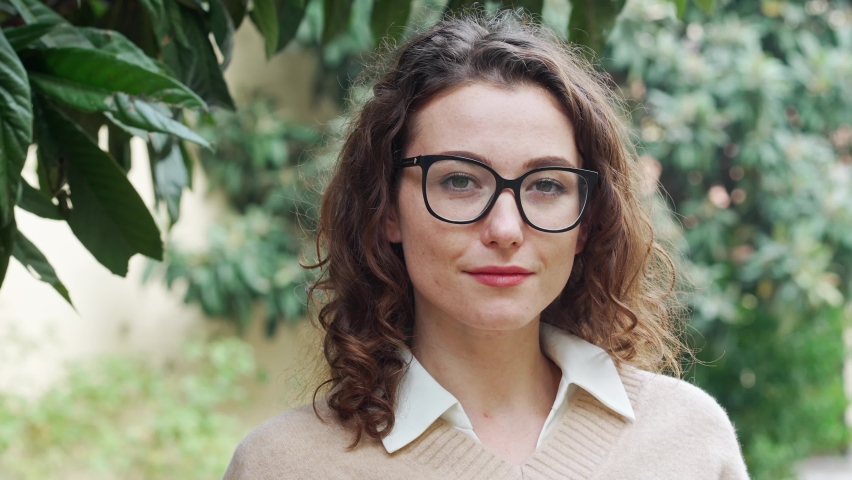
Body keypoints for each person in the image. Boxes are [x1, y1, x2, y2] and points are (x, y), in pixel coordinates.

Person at [223, 10, 749, 480]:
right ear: (386, 210)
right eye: (458, 181)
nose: (505, 229)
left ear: (587, 220)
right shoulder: (283, 465)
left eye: (546, 185)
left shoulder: (688, 440)